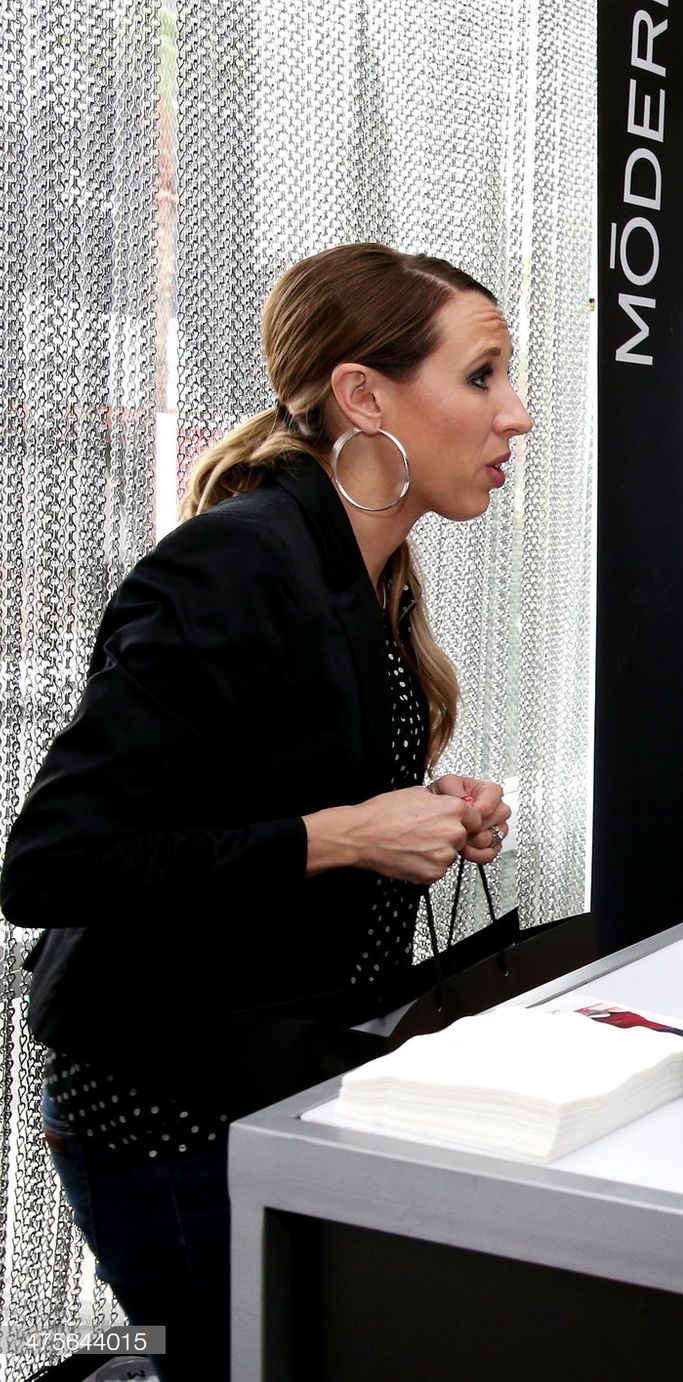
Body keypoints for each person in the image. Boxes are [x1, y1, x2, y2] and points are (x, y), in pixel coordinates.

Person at [1, 243, 526, 1378]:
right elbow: (50, 862)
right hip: (167, 1107)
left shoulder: (366, 566)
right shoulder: (234, 565)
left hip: (277, 1076)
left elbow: (268, 784)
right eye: (482, 375)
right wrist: (347, 836)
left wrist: (427, 811)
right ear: (364, 396)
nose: (516, 414)